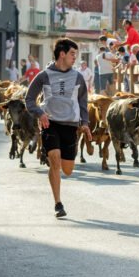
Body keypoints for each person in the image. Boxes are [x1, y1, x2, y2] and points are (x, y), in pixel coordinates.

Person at [25, 39, 92, 219]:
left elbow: (83, 102)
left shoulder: (78, 77)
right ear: (62, 54)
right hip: (50, 123)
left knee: (68, 170)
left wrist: (85, 123)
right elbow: (29, 99)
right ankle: (58, 203)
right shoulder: (44, 76)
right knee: (54, 160)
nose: (74, 58)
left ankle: (69, 153)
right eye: (72, 54)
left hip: (70, 125)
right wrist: (40, 113)